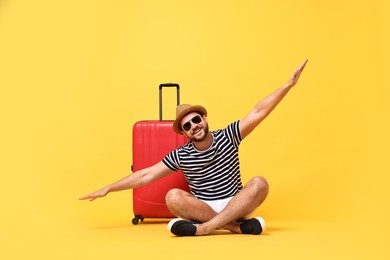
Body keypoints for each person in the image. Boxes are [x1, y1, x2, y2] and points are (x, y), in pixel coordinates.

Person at [80, 59, 308, 236]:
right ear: (184, 133)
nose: (194, 126)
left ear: (205, 119)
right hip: (203, 208)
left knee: (260, 183)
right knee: (173, 197)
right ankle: (234, 228)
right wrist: (108, 188)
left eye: (196, 120)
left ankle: (205, 229)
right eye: (187, 126)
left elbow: (258, 112)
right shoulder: (181, 155)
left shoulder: (228, 136)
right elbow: (144, 175)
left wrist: (288, 85)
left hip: (236, 203)